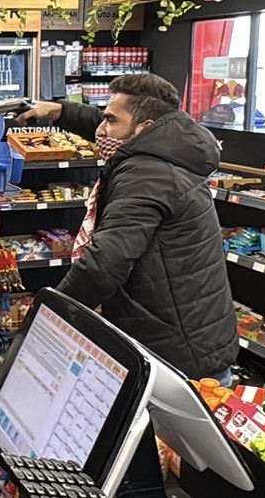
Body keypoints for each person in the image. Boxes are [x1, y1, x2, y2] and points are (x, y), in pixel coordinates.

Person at [19, 74, 237, 383]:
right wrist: (58, 112)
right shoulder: (167, 147)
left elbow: (104, 264)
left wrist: (47, 317)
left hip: (178, 359)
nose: (100, 130)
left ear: (144, 129)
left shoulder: (147, 174)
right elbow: (110, 120)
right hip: (184, 338)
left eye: (110, 121)